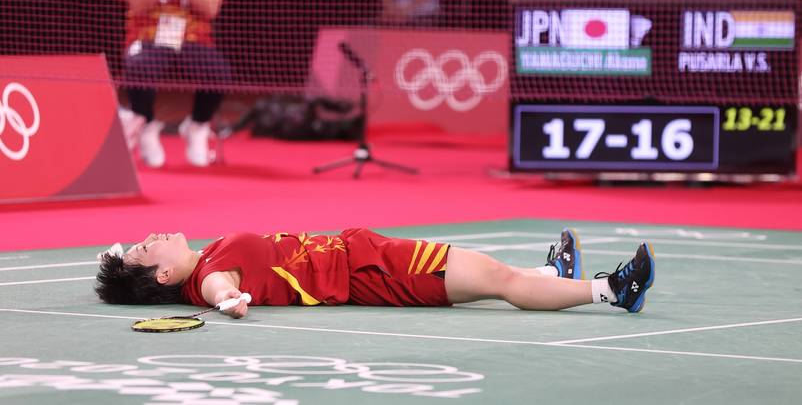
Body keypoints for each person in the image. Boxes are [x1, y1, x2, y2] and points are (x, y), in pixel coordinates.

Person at [95, 228, 656, 317]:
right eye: (147, 248)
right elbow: (225, 290)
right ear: (164, 275)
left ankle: (552, 273)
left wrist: (115, 265)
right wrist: (228, 304)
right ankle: (611, 289)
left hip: (366, 256)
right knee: (499, 283)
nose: (154, 236)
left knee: (491, 273)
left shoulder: (205, 258)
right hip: (376, 272)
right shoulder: (211, 273)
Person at [118, 0, 232, 168]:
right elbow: (137, 4)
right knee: (139, 67)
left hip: (192, 38)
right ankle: (146, 126)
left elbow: (211, 8)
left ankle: (197, 126)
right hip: (148, 36)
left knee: (219, 74)